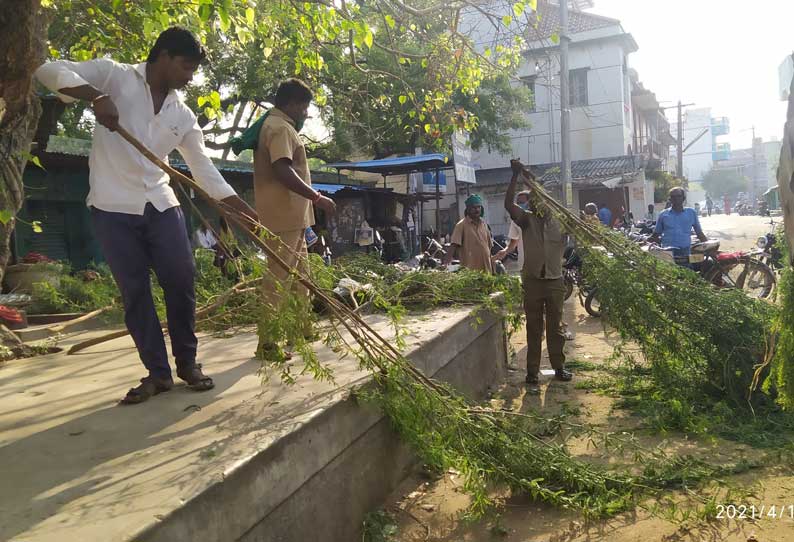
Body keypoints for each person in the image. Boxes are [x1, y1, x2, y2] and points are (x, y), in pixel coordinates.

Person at [34, 27, 259, 404]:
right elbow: (48, 70)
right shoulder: (114, 75)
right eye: (186, 67)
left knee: (181, 279)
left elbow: (204, 170)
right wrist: (96, 96)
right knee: (136, 292)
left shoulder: (183, 116)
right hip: (111, 206)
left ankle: (187, 363)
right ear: (165, 57)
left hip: (161, 204)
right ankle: (158, 373)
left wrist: (244, 212)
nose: (190, 76)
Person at [254, 78, 337, 359]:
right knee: (278, 278)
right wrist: (317, 197)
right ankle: (267, 342)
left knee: (302, 277)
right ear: (292, 104)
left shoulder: (283, 127)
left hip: (295, 217)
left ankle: (302, 328)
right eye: (304, 107)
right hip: (283, 216)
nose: (306, 113)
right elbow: (282, 170)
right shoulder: (278, 128)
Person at [505, 160, 573, 386]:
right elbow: (508, 205)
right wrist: (516, 176)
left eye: (540, 201)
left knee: (555, 328)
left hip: (555, 282)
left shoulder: (562, 224)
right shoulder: (526, 221)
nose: (536, 205)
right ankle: (532, 371)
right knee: (534, 327)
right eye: (534, 202)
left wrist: (533, 181)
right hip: (533, 281)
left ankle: (559, 367)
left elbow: (583, 232)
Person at [649, 187, 708, 262]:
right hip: (667, 252)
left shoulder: (691, 213)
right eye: (673, 196)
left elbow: (699, 233)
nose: (676, 198)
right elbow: (656, 234)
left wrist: (709, 246)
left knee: (687, 272)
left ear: (683, 198)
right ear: (670, 199)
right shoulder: (663, 214)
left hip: (685, 251)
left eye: (678, 196)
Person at [444, 194, 493, 273]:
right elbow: (453, 245)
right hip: (470, 272)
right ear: (468, 209)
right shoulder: (461, 225)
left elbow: (489, 248)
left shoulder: (484, 224)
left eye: (478, 207)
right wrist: (446, 263)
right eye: (473, 207)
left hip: (486, 270)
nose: (477, 210)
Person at [493, 190, 531, 270]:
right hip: (523, 264)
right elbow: (513, 243)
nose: (519, 205)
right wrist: (505, 251)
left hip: (540, 263)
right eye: (518, 203)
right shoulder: (516, 221)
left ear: (530, 203)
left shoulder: (538, 219)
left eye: (522, 202)